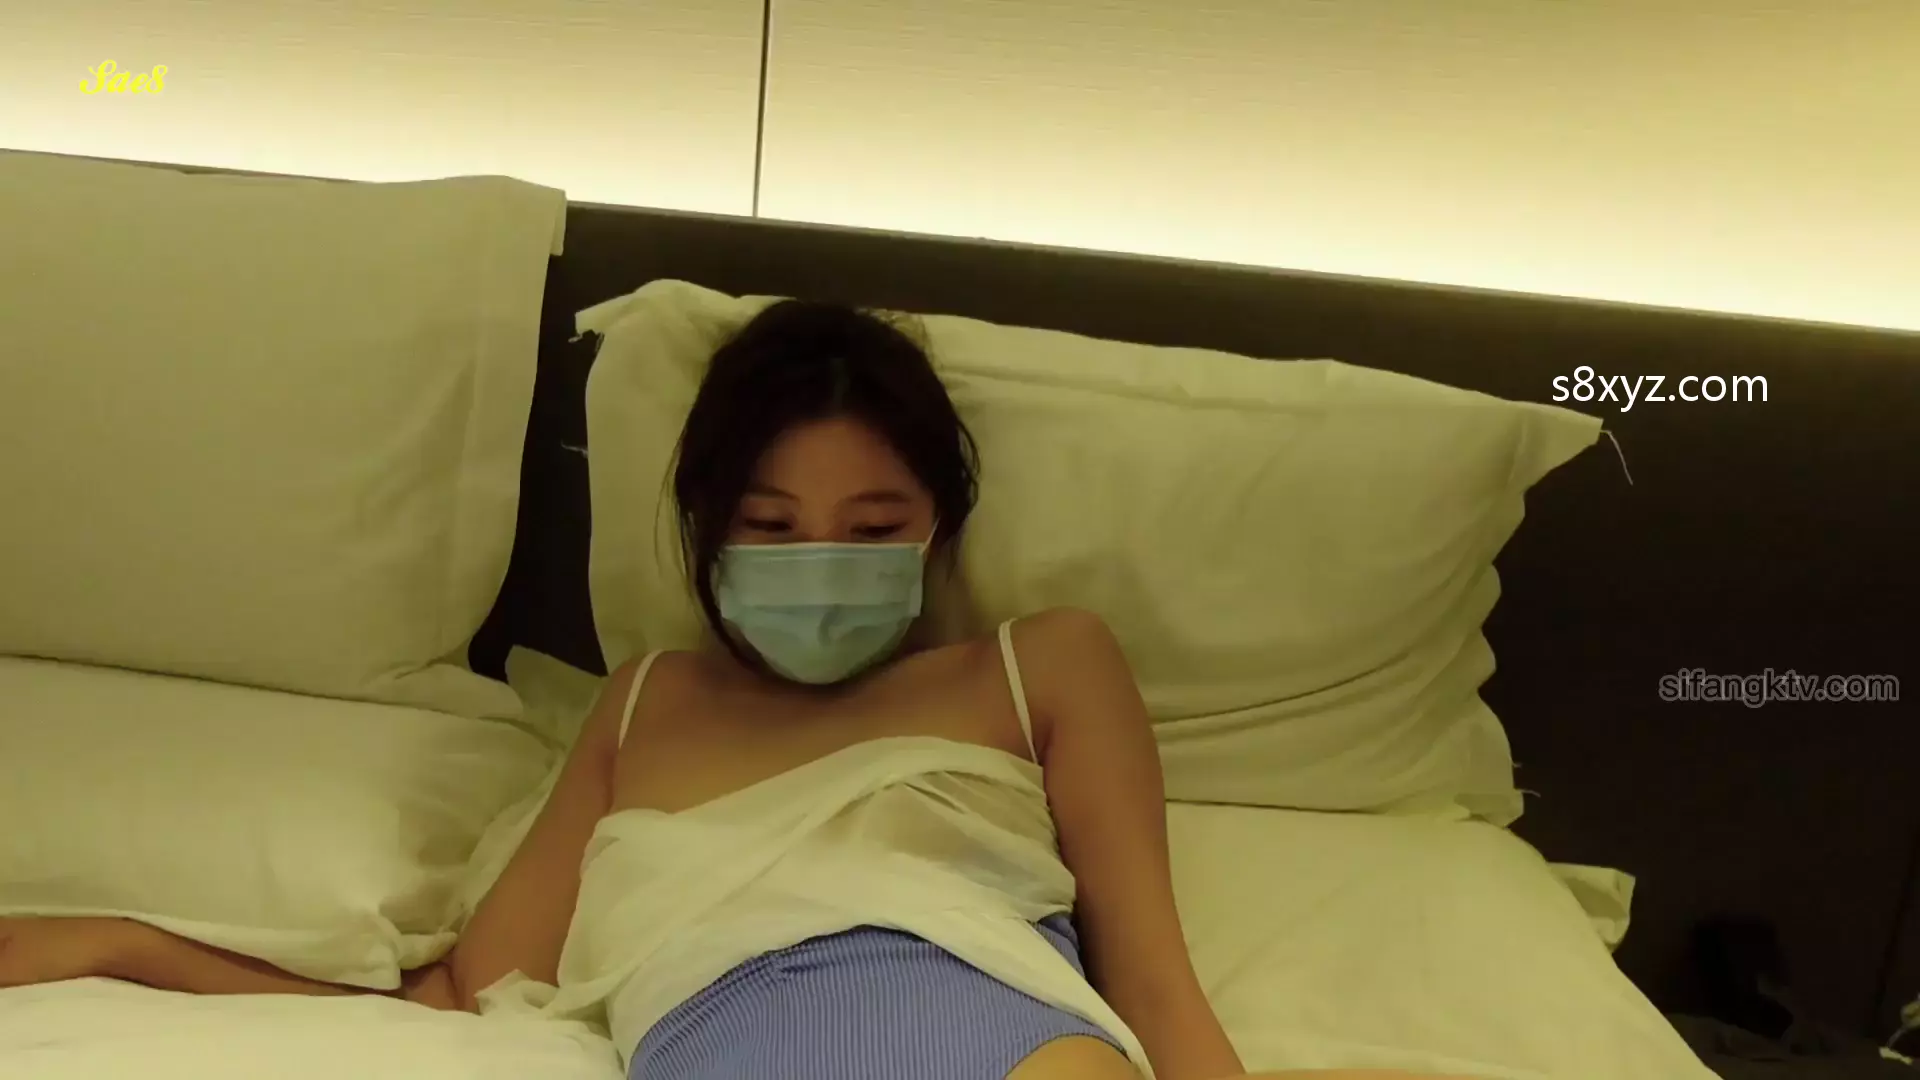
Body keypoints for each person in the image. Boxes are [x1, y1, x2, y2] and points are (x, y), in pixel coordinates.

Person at [0, 300, 1472, 1080]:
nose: (819, 564)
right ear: (708, 532)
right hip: (721, 1046)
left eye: (873, 526)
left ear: (938, 529)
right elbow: (461, 997)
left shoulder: (1037, 666)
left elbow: (1151, 975)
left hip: (996, 1039)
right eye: (771, 528)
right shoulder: (644, 706)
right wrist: (127, 946)